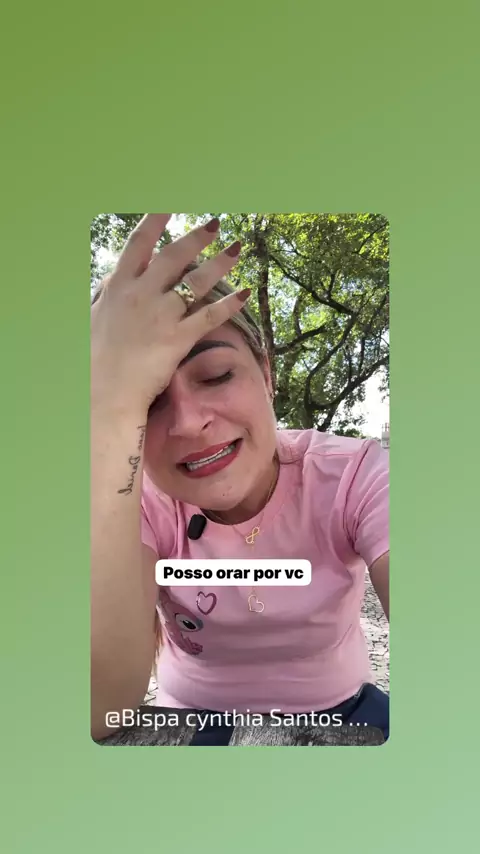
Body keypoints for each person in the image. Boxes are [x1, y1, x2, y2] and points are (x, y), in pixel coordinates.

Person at [91, 213, 389, 745]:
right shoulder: (130, 500)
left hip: (344, 713)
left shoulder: (355, 475)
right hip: (191, 724)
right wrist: (109, 407)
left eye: (215, 375)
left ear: (266, 374)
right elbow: (98, 708)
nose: (188, 422)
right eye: (148, 401)